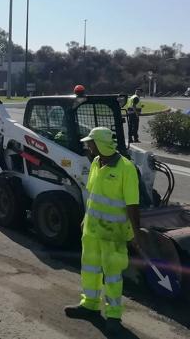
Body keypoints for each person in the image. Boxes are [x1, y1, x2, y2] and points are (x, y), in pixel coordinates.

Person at [64, 127, 144, 334]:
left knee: (113, 276)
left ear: (101, 143)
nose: (88, 145)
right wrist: (85, 219)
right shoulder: (95, 163)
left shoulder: (126, 168)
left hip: (114, 234)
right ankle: (89, 304)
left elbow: (132, 205)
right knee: (89, 270)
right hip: (91, 231)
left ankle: (114, 315)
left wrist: (136, 233)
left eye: (91, 142)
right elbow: (92, 196)